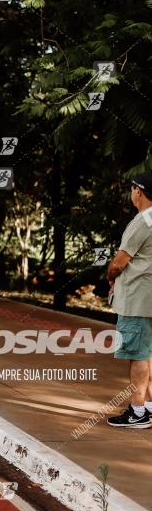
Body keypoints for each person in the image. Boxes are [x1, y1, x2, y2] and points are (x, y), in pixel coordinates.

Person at [107, 172, 152, 429]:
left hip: (136, 298)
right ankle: (148, 407)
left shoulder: (141, 222)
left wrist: (110, 277)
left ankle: (137, 411)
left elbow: (118, 263)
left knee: (137, 354)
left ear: (139, 191)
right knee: (149, 352)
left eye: (133, 189)